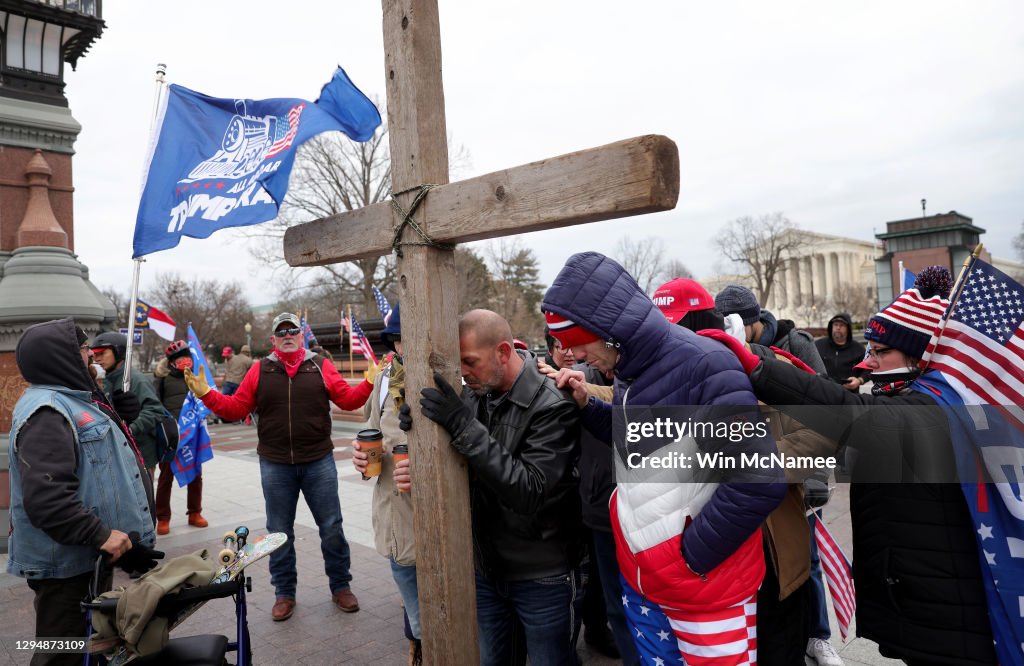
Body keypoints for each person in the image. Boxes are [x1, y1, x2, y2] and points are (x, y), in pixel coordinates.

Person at [700, 266, 997, 665]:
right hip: (925, 599)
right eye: (869, 350)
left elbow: (847, 412)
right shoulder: (923, 400)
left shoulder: (932, 410)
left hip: (946, 612)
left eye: (880, 352)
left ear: (921, 355)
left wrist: (757, 366)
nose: (868, 363)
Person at [541, 252, 786, 666]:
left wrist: (688, 557)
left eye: (579, 346)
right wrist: (588, 406)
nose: (577, 358)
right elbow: (641, 441)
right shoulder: (629, 368)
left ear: (608, 332)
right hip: (648, 581)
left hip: (705, 591)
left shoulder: (705, 365)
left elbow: (758, 480)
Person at [654, 276, 840, 665]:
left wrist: (754, 458)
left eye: (676, 329)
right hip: (710, 566)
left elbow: (825, 434)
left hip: (774, 562)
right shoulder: (664, 377)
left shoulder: (765, 364)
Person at [398, 309, 584, 666]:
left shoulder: (553, 404)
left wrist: (462, 425)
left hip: (542, 574)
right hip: (487, 570)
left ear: (502, 352)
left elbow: (529, 491)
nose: (464, 373)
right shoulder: (476, 394)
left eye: (470, 361)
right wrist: (420, 429)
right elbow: (464, 466)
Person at [184, 312, 377, 621]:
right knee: (279, 533)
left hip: (318, 462)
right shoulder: (260, 369)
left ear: (301, 336)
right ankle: (284, 593)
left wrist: (367, 383)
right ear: (273, 339)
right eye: (281, 331)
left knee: (332, 528)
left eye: (293, 330)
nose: (288, 335)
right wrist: (207, 394)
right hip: (276, 465)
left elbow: (348, 400)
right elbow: (235, 409)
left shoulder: (320, 365)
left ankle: (341, 586)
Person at [8, 318, 162, 666]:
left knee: (89, 651)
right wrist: (101, 534)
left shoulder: (71, 399)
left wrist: (117, 410)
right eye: (81, 350)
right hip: (65, 566)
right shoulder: (46, 411)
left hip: (89, 557)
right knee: (62, 653)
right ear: (60, 357)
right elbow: (48, 499)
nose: (89, 356)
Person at [540, 327, 630, 663]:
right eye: (560, 347)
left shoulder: (599, 375)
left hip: (616, 499)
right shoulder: (552, 383)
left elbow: (619, 402)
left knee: (611, 589)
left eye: (576, 346)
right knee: (588, 582)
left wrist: (583, 391)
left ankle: (597, 631)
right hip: (583, 500)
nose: (571, 354)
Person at [349, 303, 422, 666]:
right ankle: (419, 646)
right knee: (415, 609)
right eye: (399, 340)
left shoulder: (456, 376)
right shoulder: (383, 378)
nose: (406, 347)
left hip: (439, 523)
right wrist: (362, 461)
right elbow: (370, 434)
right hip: (395, 521)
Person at [90, 331, 166, 479]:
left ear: (118, 352)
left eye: (102, 353)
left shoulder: (136, 379)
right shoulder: (106, 381)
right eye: (95, 355)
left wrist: (131, 429)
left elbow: (155, 410)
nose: (97, 359)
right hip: (120, 452)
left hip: (141, 452)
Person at [152, 340, 208, 535]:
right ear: (172, 362)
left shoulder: (196, 378)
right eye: (179, 359)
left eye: (187, 358)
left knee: (195, 475)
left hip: (192, 436)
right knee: (166, 477)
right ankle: (163, 517)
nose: (184, 362)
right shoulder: (162, 380)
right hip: (170, 436)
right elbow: (154, 405)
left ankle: (194, 513)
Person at [715, 283, 827, 375]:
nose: (731, 334)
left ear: (751, 320)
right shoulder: (732, 350)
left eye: (736, 326)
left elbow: (824, 389)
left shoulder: (797, 343)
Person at [815, 313, 868, 392]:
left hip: (850, 396)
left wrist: (859, 380)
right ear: (831, 327)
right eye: (835, 325)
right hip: (824, 393)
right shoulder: (818, 345)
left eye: (842, 325)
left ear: (848, 328)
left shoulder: (858, 349)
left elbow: (868, 370)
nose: (838, 328)